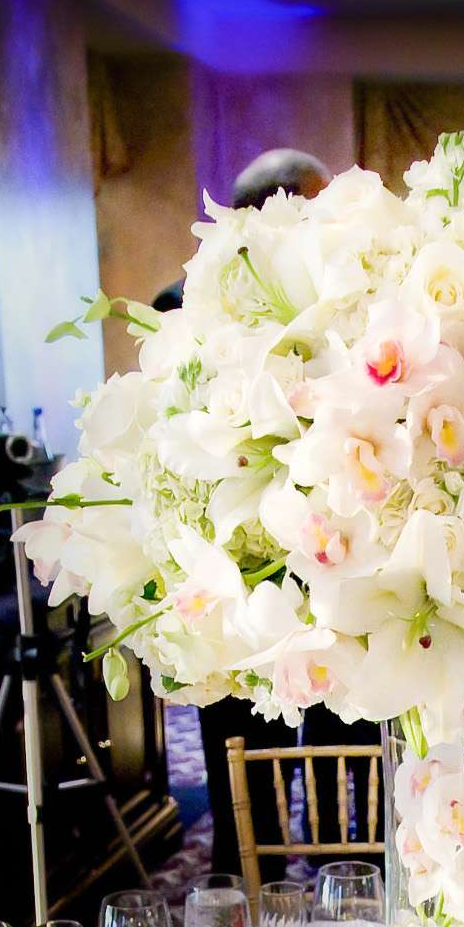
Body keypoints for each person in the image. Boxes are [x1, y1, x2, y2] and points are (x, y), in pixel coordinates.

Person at [192, 149, 334, 879]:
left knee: (347, 759)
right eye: (316, 205)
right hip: (243, 570)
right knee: (242, 760)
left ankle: (358, 880)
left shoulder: (347, 302)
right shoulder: (184, 313)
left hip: (337, 565)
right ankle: (251, 879)